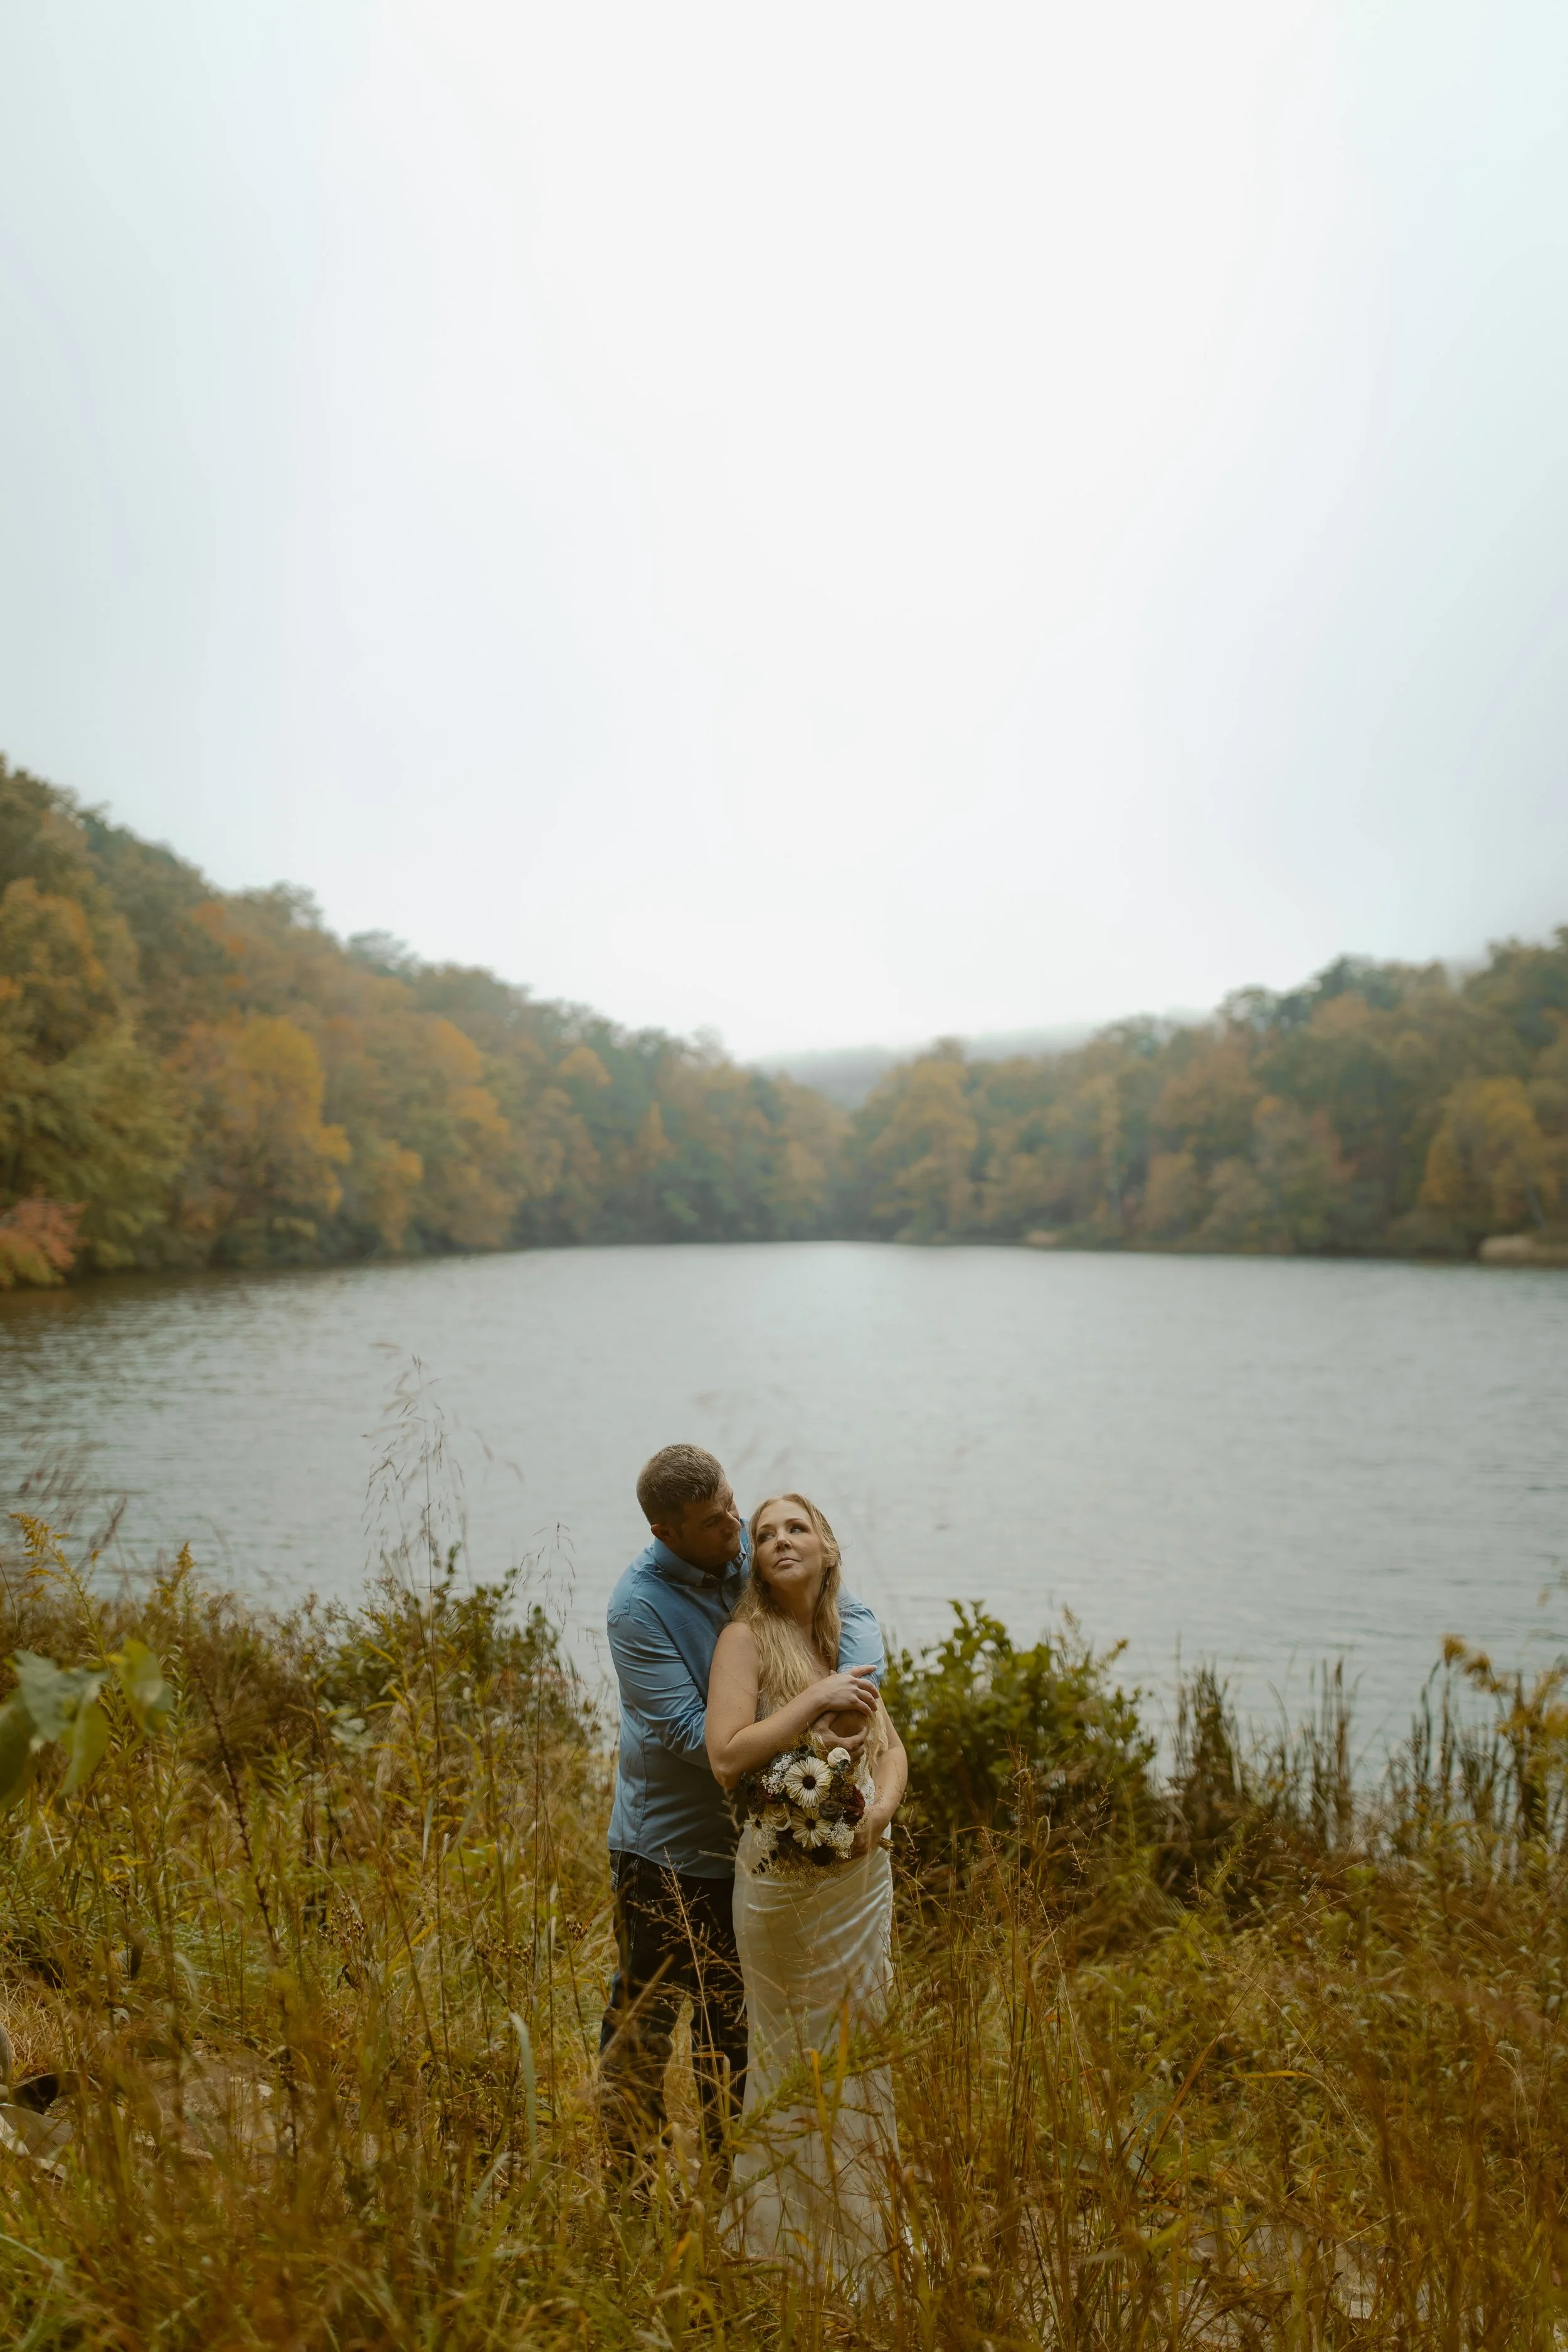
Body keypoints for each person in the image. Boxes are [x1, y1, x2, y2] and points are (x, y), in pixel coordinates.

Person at [599, 1444, 885, 2191]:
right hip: (667, 1847)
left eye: (732, 1505)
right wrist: (809, 1729)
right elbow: (701, 1740)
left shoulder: (743, 1555)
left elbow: (839, 1606)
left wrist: (849, 1684)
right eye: (711, 1521)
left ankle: (730, 2201)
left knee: (736, 2037)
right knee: (646, 2023)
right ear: (667, 1533)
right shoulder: (637, 1609)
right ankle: (627, 2193)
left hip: (760, 1855)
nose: (734, 1524)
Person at [705, 1491, 908, 2290]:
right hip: (782, 1881)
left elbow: (891, 1751)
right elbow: (726, 1756)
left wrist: (878, 1818)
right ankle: (778, 2249)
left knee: (863, 2050)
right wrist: (812, 1703)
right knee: (794, 2057)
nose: (780, 1541)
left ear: (827, 1547)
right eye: (764, 1535)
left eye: (797, 1528)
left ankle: (861, 2244)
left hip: (861, 1873)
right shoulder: (744, 1639)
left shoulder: (842, 1634)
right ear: (754, 1560)